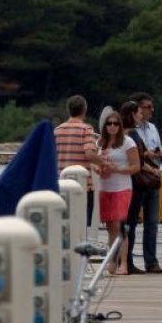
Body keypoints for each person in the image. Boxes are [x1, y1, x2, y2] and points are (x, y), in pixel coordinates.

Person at [54, 95, 109, 228]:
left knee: (65, 224)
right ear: (85, 109)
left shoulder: (57, 130)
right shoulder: (86, 129)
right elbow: (89, 154)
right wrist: (104, 162)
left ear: (69, 110)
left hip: (61, 184)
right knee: (84, 226)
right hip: (83, 185)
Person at [125, 92, 162, 274]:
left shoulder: (153, 128)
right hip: (138, 179)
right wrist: (148, 156)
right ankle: (127, 260)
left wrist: (158, 155)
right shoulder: (130, 131)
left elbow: (151, 152)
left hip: (152, 179)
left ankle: (151, 261)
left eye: (151, 107)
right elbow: (138, 156)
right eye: (147, 107)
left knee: (152, 222)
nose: (151, 110)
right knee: (131, 221)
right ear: (137, 109)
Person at [96, 110, 139, 275]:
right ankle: (112, 261)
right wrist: (99, 169)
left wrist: (117, 169)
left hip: (122, 187)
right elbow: (94, 164)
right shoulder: (100, 143)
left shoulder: (127, 142)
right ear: (105, 126)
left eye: (115, 123)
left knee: (120, 225)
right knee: (110, 227)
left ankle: (124, 264)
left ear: (120, 126)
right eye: (109, 123)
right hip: (105, 187)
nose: (112, 127)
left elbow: (136, 166)